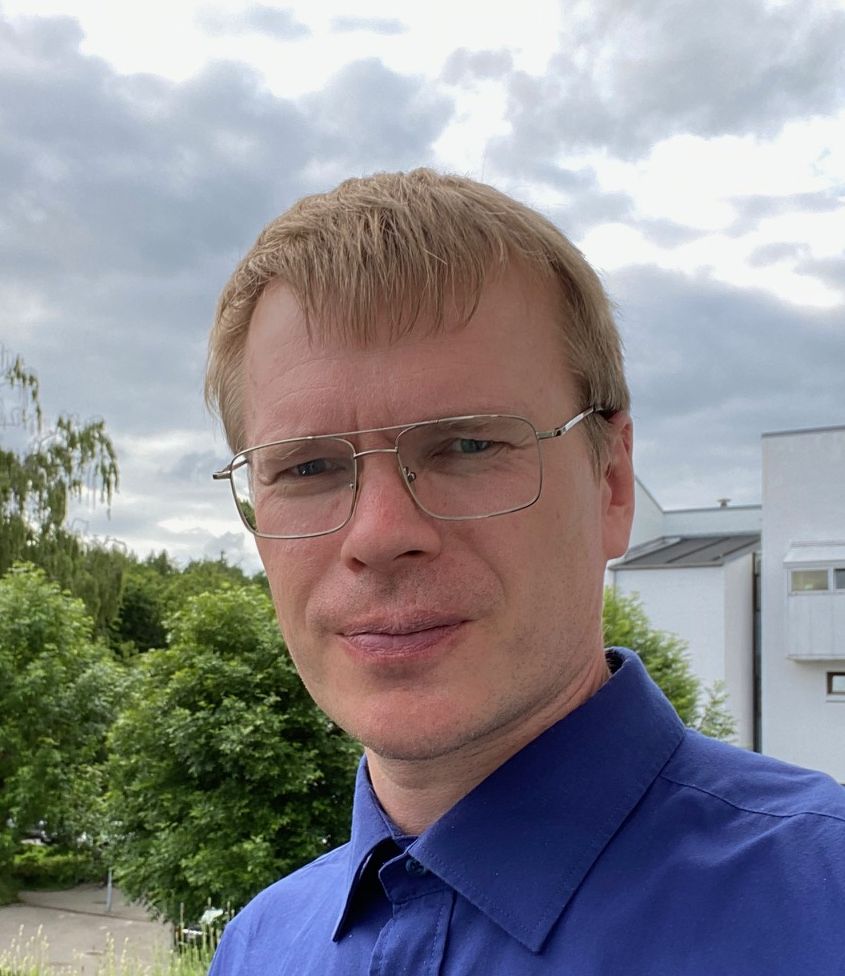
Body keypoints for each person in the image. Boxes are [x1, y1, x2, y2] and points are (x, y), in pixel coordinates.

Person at [205, 170, 845, 975]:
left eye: (467, 445)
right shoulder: (259, 947)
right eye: (306, 468)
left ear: (611, 482)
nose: (379, 534)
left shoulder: (824, 904)